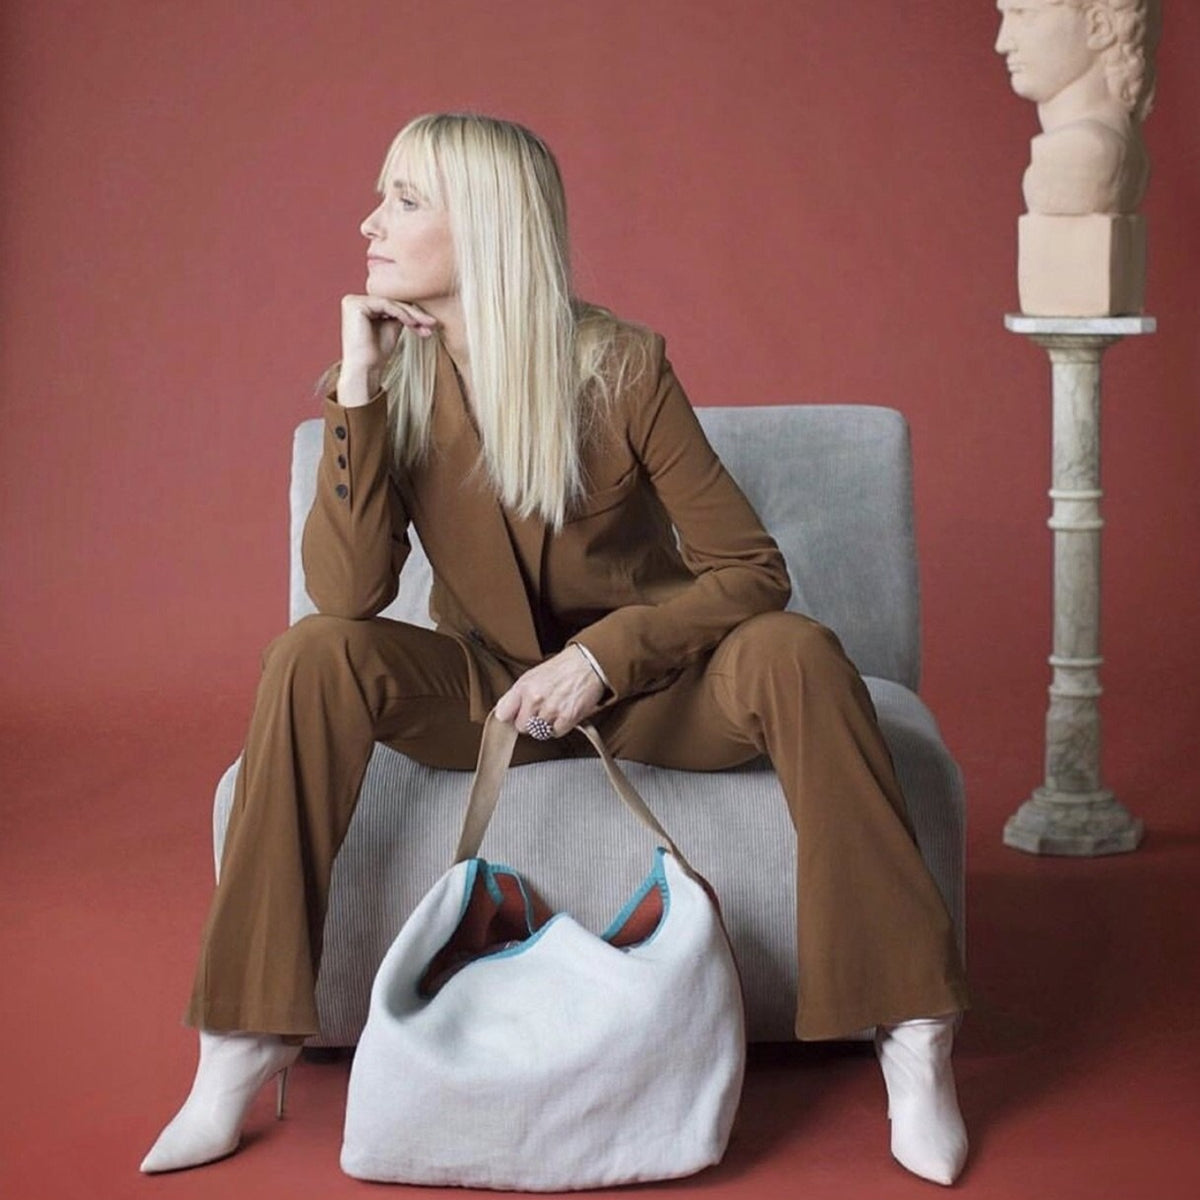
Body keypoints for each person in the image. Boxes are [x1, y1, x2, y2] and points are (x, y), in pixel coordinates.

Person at [141, 112, 970, 1186]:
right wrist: (356, 382)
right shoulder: (393, 382)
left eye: (403, 199)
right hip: (489, 695)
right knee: (313, 653)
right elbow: (350, 594)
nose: (368, 221)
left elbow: (750, 570)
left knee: (798, 651)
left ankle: (910, 1028)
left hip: (654, 691)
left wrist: (606, 658)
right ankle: (239, 1045)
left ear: (481, 224)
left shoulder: (622, 367)